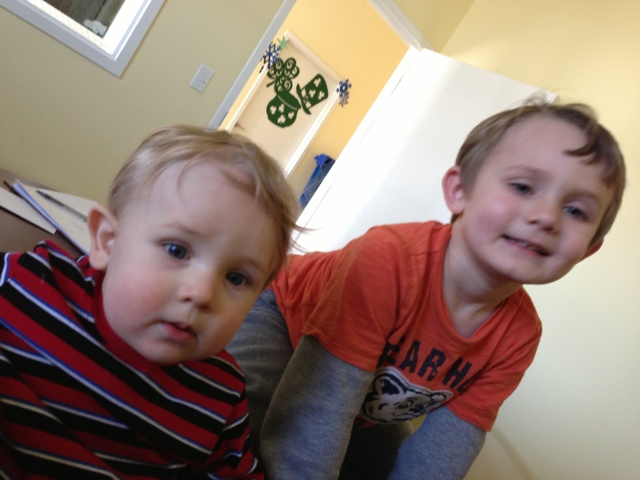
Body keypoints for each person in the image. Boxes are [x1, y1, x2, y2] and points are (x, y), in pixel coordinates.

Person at [227, 99, 627, 479]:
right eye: (523, 187)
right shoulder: (388, 259)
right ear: (459, 191)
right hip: (285, 318)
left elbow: (445, 451)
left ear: (589, 249)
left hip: (362, 393)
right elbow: (315, 412)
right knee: (234, 420)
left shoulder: (519, 336)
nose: (547, 216)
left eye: (576, 210)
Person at [0, 126, 299, 478]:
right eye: (177, 250)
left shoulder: (222, 396)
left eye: (236, 278)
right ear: (107, 242)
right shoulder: (28, 281)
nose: (202, 294)